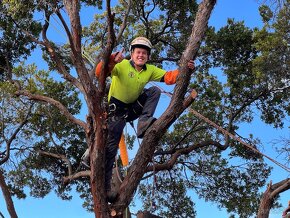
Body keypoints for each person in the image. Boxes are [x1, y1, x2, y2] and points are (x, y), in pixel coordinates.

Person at [94, 36, 195, 201]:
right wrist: (112, 59)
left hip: (132, 109)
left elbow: (169, 77)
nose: (141, 55)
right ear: (132, 54)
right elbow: (100, 72)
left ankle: (144, 125)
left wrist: (186, 69)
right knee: (111, 149)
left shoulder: (149, 70)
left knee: (154, 91)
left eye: (144, 53)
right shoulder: (122, 64)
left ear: (148, 56)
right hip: (116, 112)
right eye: (138, 52)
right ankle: (105, 190)